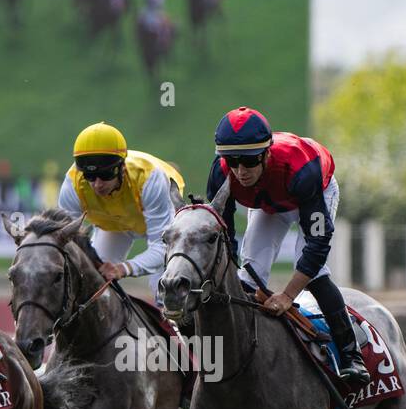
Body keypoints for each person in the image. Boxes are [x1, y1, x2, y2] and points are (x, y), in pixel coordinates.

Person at [205, 106, 369, 387]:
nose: (240, 171)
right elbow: (224, 237)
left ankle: (351, 355)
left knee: (313, 274)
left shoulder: (301, 169)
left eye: (249, 161)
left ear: (266, 153)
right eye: (232, 161)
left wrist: (287, 295)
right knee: (247, 274)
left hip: (310, 192)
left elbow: (317, 245)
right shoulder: (221, 174)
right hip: (268, 201)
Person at [57, 121, 185, 300]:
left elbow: (161, 247)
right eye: (90, 176)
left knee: (166, 293)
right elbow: (65, 242)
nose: (97, 184)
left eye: (106, 174)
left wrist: (124, 268)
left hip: (156, 227)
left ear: (122, 167)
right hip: (113, 227)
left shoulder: (150, 178)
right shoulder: (72, 184)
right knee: (93, 287)